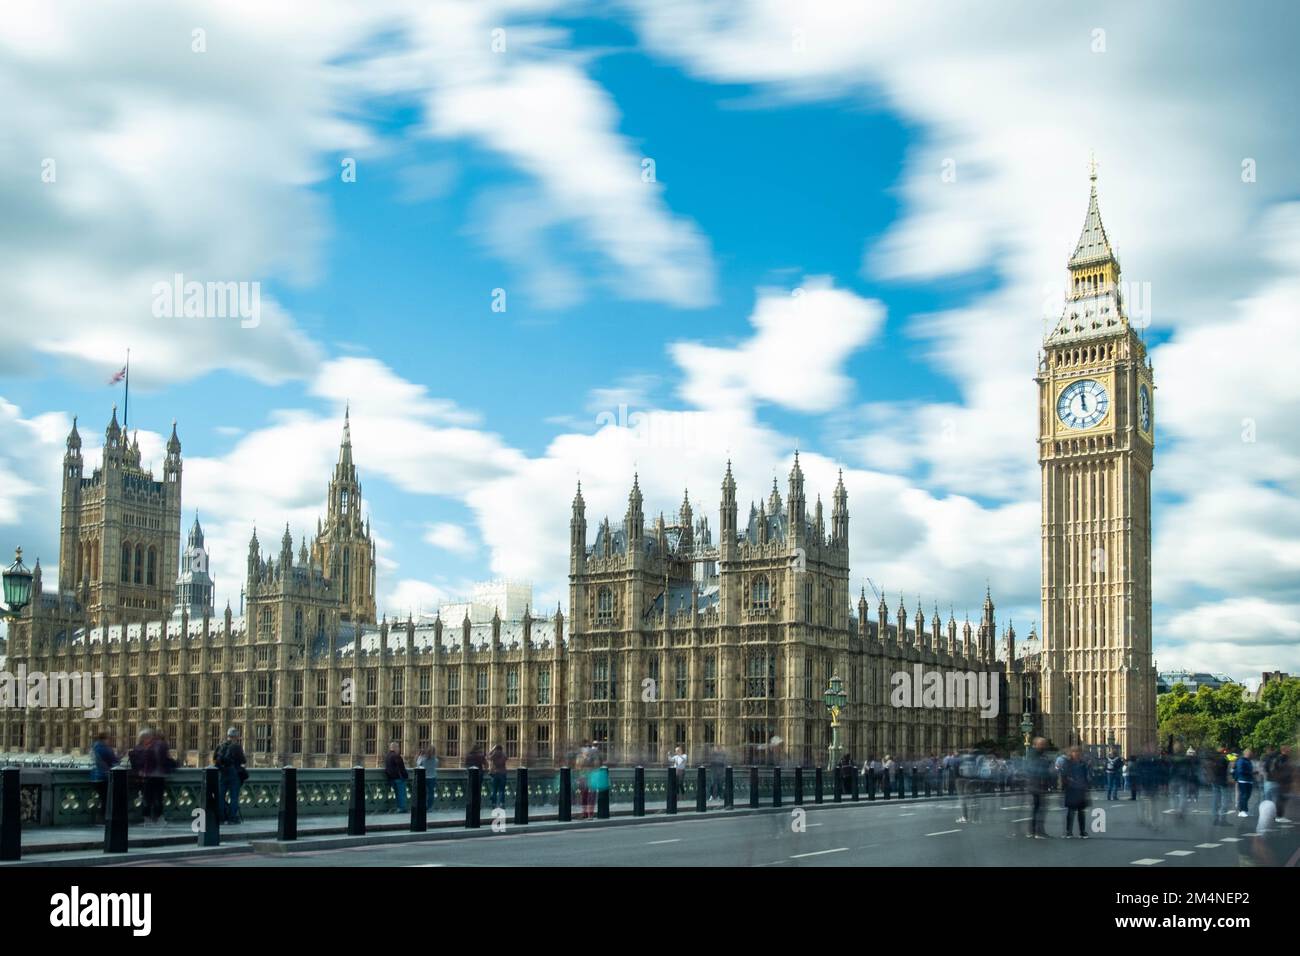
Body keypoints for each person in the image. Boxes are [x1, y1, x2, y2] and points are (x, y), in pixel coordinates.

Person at [214, 727, 247, 824]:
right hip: (233, 773)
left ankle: (221, 818)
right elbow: (243, 760)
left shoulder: (220, 745)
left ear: (228, 735)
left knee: (220, 796)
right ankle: (232, 818)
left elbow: (215, 758)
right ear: (236, 737)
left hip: (222, 773)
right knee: (234, 796)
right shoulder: (236, 747)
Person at [88, 732, 119, 823]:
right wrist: (120, 756)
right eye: (109, 739)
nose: (110, 741)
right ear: (105, 739)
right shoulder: (106, 749)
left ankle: (99, 818)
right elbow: (114, 762)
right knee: (107, 799)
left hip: (94, 776)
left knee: (101, 798)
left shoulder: (94, 747)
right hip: (104, 776)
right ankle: (104, 819)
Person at [1062, 746, 1091, 838]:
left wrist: (1086, 784)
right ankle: (1068, 831)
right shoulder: (1067, 763)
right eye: (1074, 752)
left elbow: (1086, 775)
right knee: (1071, 811)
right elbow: (1064, 775)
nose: (1077, 753)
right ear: (1071, 753)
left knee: (1081, 811)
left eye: (1078, 751)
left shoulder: (1083, 763)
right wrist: (1069, 782)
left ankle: (1082, 831)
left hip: (1081, 789)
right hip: (1071, 789)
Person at [1024, 738, 1050, 838]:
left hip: (1039, 785)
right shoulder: (1033, 755)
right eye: (1042, 744)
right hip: (1035, 785)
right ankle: (1036, 831)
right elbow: (1034, 769)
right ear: (1036, 745)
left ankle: (1034, 831)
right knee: (1038, 809)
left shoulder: (1041, 755)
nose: (1044, 746)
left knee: (1038, 809)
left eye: (1044, 744)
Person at [1263, 746, 1292, 823]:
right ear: (1285, 751)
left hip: (1268, 781)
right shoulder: (1282, 758)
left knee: (1268, 800)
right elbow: (1283, 769)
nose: (1290, 752)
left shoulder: (1268, 758)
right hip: (1276, 782)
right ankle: (1279, 817)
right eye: (1289, 750)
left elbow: (1265, 768)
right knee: (1278, 800)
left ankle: (1267, 816)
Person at [1204, 747, 1230, 825]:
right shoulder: (1224, 759)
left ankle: (1215, 818)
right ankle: (1222, 819)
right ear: (1223, 752)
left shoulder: (1213, 760)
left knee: (1215, 800)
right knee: (1225, 800)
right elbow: (1227, 769)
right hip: (1222, 782)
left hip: (1214, 781)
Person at [385, 741, 409, 812]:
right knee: (401, 794)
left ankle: (399, 807)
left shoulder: (387, 756)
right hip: (398, 778)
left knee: (397, 793)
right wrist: (405, 776)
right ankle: (401, 808)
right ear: (395, 748)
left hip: (391, 778)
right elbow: (401, 768)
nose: (399, 749)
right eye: (398, 747)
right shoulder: (396, 756)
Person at [416, 746, 439, 812]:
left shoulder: (423, 759)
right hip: (432, 778)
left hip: (424, 778)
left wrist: (420, 756)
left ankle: (423, 806)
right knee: (431, 793)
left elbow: (418, 765)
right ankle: (430, 807)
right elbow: (436, 766)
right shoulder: (436, 760)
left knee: (423, 793)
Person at [1233, 748, 1255, 817]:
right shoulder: (1241, 761)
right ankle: (1241, 811)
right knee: (1244, 796)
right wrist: (1251, 773)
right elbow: (1240, 770)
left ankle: (1244, 810)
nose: (1251, 755)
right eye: (1250, 753)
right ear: (1246, 753)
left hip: (1249, 780)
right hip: (1243, 780)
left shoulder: (1248, 761)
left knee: (1247, 796)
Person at [487, 744, 508, 810]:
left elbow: (487, 757)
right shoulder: (503, 754)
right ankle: (502, 804)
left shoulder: (494, 754)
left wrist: (492, 750)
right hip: (502, 774)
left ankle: (494, 804)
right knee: (502, 790)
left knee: (494, 790)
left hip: (495, 773)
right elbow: (506, 758)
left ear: (495, 749)